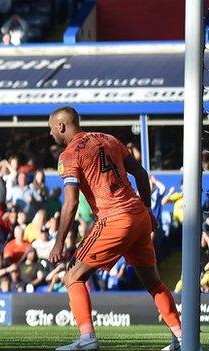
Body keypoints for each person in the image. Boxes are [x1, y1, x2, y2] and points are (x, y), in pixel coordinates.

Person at [48, 106, 183, 351]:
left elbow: (71, 202)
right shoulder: (109, 139)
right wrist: (148, 210)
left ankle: (87, 339)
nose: (50, 134)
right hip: (138, 216)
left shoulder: (69, 156)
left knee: (72, 276)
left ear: (61, 126)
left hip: (114, 219)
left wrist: (58, 243)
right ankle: (182, 338)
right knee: (153, 283)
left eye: (50, 128)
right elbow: (141, 175)